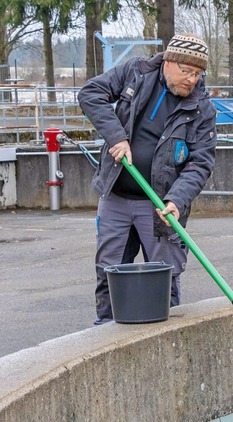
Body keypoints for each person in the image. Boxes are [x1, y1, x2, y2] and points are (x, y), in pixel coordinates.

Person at [78, 33, 217, 325]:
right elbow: (91, 94)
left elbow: (200, 162)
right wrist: (116, 136)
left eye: (197, 73)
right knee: (109, 272)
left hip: (160, 208)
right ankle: (105, 333)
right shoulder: (135, 72)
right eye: (187, 71)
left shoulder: (202, 109)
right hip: (116, 195)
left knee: (163, 279)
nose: (192, 80)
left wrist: (177, 200)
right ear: (170, 62)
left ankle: (164, 338)